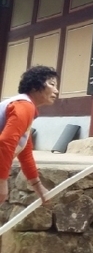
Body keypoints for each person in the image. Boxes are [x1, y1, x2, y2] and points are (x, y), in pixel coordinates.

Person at [0, 65, 58, 204]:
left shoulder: (25, 108)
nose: (56, 91)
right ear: (34, 86)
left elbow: (24, 152)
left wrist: (39, 189)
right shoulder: (24, 106)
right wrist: (2, 181)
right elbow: (6, 142)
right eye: (52, 84)